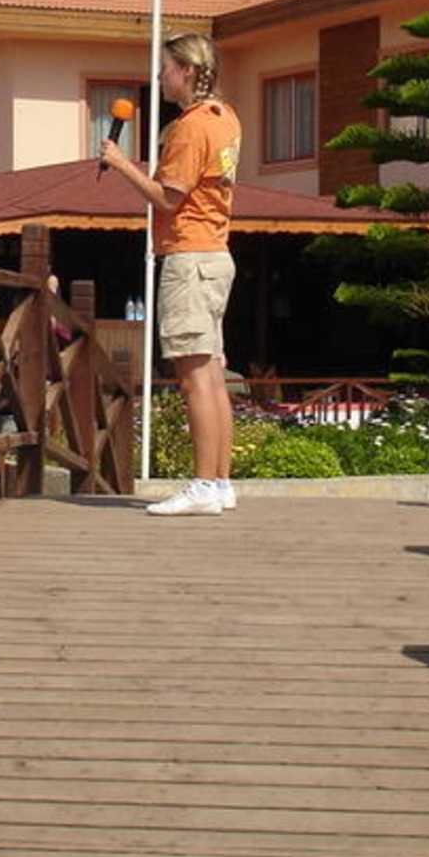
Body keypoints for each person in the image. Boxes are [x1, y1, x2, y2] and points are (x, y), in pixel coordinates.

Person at [100, 32, 242, 518]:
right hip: (215, 253)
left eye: (164, 69)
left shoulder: (190, 127)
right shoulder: (225, 117)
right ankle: (219, 482)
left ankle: (203, 485)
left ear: (186, 71)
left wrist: (121, 164)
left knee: (193, 377)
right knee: (212, 374)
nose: (159, 78)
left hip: (189, 256)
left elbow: (168, 198)